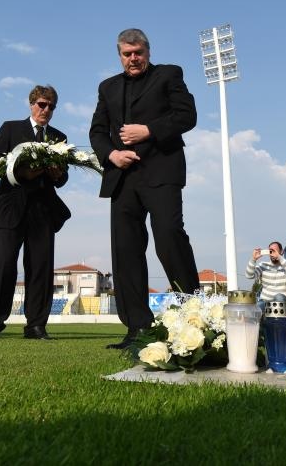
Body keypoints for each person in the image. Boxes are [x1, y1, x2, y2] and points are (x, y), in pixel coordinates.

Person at [89, 28, 200, 349]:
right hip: (122, 177)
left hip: (161, 171)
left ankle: (193, 315)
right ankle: (136, 328)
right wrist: (112, 154)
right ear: (119, 55)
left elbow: (186, 116)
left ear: (147, 52)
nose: (133, 58)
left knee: (169, 237)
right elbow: (97, 132)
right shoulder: (107, 87)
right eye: (127, 53)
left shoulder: (168, 75)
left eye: (138, 52)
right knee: (126, 252)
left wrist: (148, 130)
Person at [0, 85, 71, 340]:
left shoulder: (58, 137)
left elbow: (63, 179)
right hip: (11, 207)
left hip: (43, 211)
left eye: (51, 106)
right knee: (5, 266)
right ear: (32, 104)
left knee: (41, 269)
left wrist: (56, 173)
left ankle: (36, 326)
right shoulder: (10, 128)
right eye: (42, 104)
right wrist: (22, 172)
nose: (46, 110)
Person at [245, 241, 286, 306]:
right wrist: (253, 259)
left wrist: (279, 257)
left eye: (275, 251)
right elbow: (249, 276)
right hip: (265, 301)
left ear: (281, 252)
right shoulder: (263, 265)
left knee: (279, 297)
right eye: (270, 251)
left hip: (282, 303)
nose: (272, 254)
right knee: (257, 307)